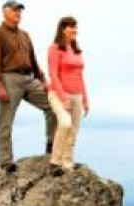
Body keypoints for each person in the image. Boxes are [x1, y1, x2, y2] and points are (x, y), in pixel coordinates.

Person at [0, 0, 56, 174]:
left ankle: (51, 145)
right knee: (5, 121)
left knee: (54, 105)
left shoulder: (25, 35)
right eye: (15, 10)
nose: (19, 13)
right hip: (9, 79)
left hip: (29, 78)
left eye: (20, 10)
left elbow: (33, 60)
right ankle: (6, 162)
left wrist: (43, 79)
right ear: (5, 12)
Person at [47, 16, 89, 175]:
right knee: (65, 124)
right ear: (63, 29)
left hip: (77, 95)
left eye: (75, 26)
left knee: (74, 130)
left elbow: (80, 76)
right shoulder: (55, 48)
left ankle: (67, 162)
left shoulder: (76, 51)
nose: (74, 30)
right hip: (59, 94)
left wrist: (85, 99)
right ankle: (55, 162)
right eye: (71, 27)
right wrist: (63, 97)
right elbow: (53, 74)